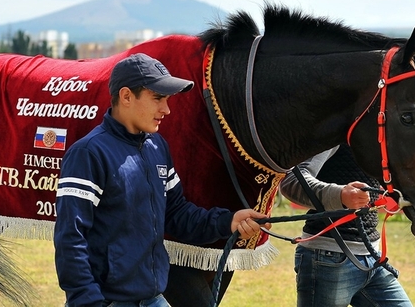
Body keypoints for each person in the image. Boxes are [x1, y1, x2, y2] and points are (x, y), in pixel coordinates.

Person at [54, 53, 269, 307]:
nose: (166, 109)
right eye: (157, 98)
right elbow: (70, 238)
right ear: (126, 96)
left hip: (154, 299)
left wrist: (228, 221)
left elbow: (177, 214)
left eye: (166, 99)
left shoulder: (157, 146)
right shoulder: (88, 153)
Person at [279, 144, 412, 307]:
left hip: (373, 258)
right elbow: (291, 181)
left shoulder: (377, 136)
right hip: (327, 258)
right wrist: (340, 195)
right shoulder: (333, 131)